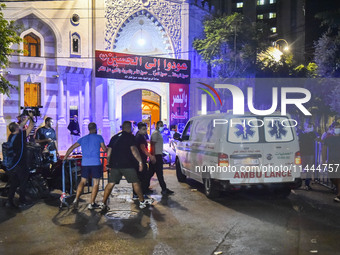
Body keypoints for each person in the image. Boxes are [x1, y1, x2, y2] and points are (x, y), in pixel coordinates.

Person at [100, 121, 154, 211]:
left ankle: (103, 203)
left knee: (111, 183)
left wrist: (108, 163)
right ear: (129, 127)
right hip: (128, 164)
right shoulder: (130, 137)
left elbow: (109, 151)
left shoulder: (114, 137)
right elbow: (133, 149)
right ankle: (141, 201)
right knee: (135, 182)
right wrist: (140, 162)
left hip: (115, 165)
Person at [63, 122, 107, 210]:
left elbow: (72, 147)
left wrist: (65, 157)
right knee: (96, 183)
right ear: (95, 129)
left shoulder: (83, 139)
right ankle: (92, 203)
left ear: (88, 129)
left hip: (85, 163)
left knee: (82, 181)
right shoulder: (99, 137)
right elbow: (104, 149)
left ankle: (76, 199)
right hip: (95, 163)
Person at [6, 112, 35, 208]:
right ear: (16, 128)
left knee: (14, 183)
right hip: (21, 164)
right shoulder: (20, 137)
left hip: (12, 165)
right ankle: (22, 201)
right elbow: (31, 127)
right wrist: (30, 118)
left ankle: (9, 201)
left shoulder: (11, 136)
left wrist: (27, 118)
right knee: (23, 182)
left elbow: (21, 126)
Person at [149, 121, 174, 195]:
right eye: (160, 125)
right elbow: (152, 145)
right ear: (157, 126)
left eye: (162, 125)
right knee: (157, 173)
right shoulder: (155, 133)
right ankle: (164, 189)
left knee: (153, 173)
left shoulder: (158, 133)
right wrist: (153, 156)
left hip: (158, 155)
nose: (162, 127)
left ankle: (164, 189)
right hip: (156, 156)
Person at [133, 122, 156, 198]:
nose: (145, 130)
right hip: (141, 160)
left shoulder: (138, 135)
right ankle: (142, 192)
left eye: (146, 128)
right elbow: (143, 148)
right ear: (139, 129)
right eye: (143, 129)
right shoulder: (140, 137)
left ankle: (139, 192)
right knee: (143, 176)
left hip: (138, 160)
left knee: (140, 176)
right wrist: (150, 156)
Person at [322, 122, 340, 202]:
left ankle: (339, 195)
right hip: (331, 161)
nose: (337, 129)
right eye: (336, 127)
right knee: (332, 177)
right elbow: (324, 149)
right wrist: (323, 160)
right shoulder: (329, 138)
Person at [299, 123, 318, 190]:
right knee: (300, 169)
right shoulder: (301, 134)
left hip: (310, 154)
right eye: (308, 126)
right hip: (303, 154)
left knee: (309, 170)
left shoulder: (312, 134)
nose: (309, 128)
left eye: (311, 126)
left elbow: (317, 139)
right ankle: (298, 183)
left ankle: (307, 184)